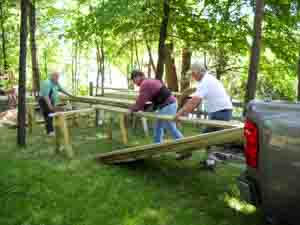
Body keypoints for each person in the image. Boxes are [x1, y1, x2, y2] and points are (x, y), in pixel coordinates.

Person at [175, 62, 233, 165]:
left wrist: (180, 113)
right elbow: (196, 101)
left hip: (221, 112)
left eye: (192, 74)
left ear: (197, 72)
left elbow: (194, 101)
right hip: (221, 111)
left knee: (204, 137)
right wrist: (187, 111)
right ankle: (209, 160)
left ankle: (187, 152)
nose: (192, 76)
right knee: (209, 138)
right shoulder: (208, 80)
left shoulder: (205, 81)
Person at [130, 70, 183, 143]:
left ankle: (185, 145)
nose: (134, 82)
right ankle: (156, 146)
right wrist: (146, 107)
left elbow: (141, 101)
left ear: (138, 77)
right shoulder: (149, 81)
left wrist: (132, 110)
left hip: (168, 105)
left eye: (134, 79)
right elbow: (152, 98)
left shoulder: (145, 84)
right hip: (167, 105)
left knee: (170, 127)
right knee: (158, 127)